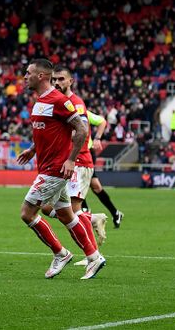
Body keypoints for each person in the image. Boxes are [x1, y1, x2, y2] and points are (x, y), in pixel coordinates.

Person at [15, 59, 105, 280]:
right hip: (45, 166)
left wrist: (71, 160)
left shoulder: (59, 100)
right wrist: (32, 149)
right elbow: (48, 131)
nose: (25, 77)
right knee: (66, 215)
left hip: (55, 169)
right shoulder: (39, 101)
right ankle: (94, 257)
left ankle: (60, 253)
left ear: (41, 76)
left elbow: (82, 130)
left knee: (27, 214)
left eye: (28, 73)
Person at [39, 67, 108, 254]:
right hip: (65, 162)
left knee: (74, 210)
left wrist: (71, 157)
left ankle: (92, 254)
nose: (57, 82)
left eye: (61, 79)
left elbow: (82, 132)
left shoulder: (76, 104)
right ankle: (92, 219)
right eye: (54, 79)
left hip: (78, 162)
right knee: (46, 207)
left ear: (71, 81)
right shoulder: (60, 102)